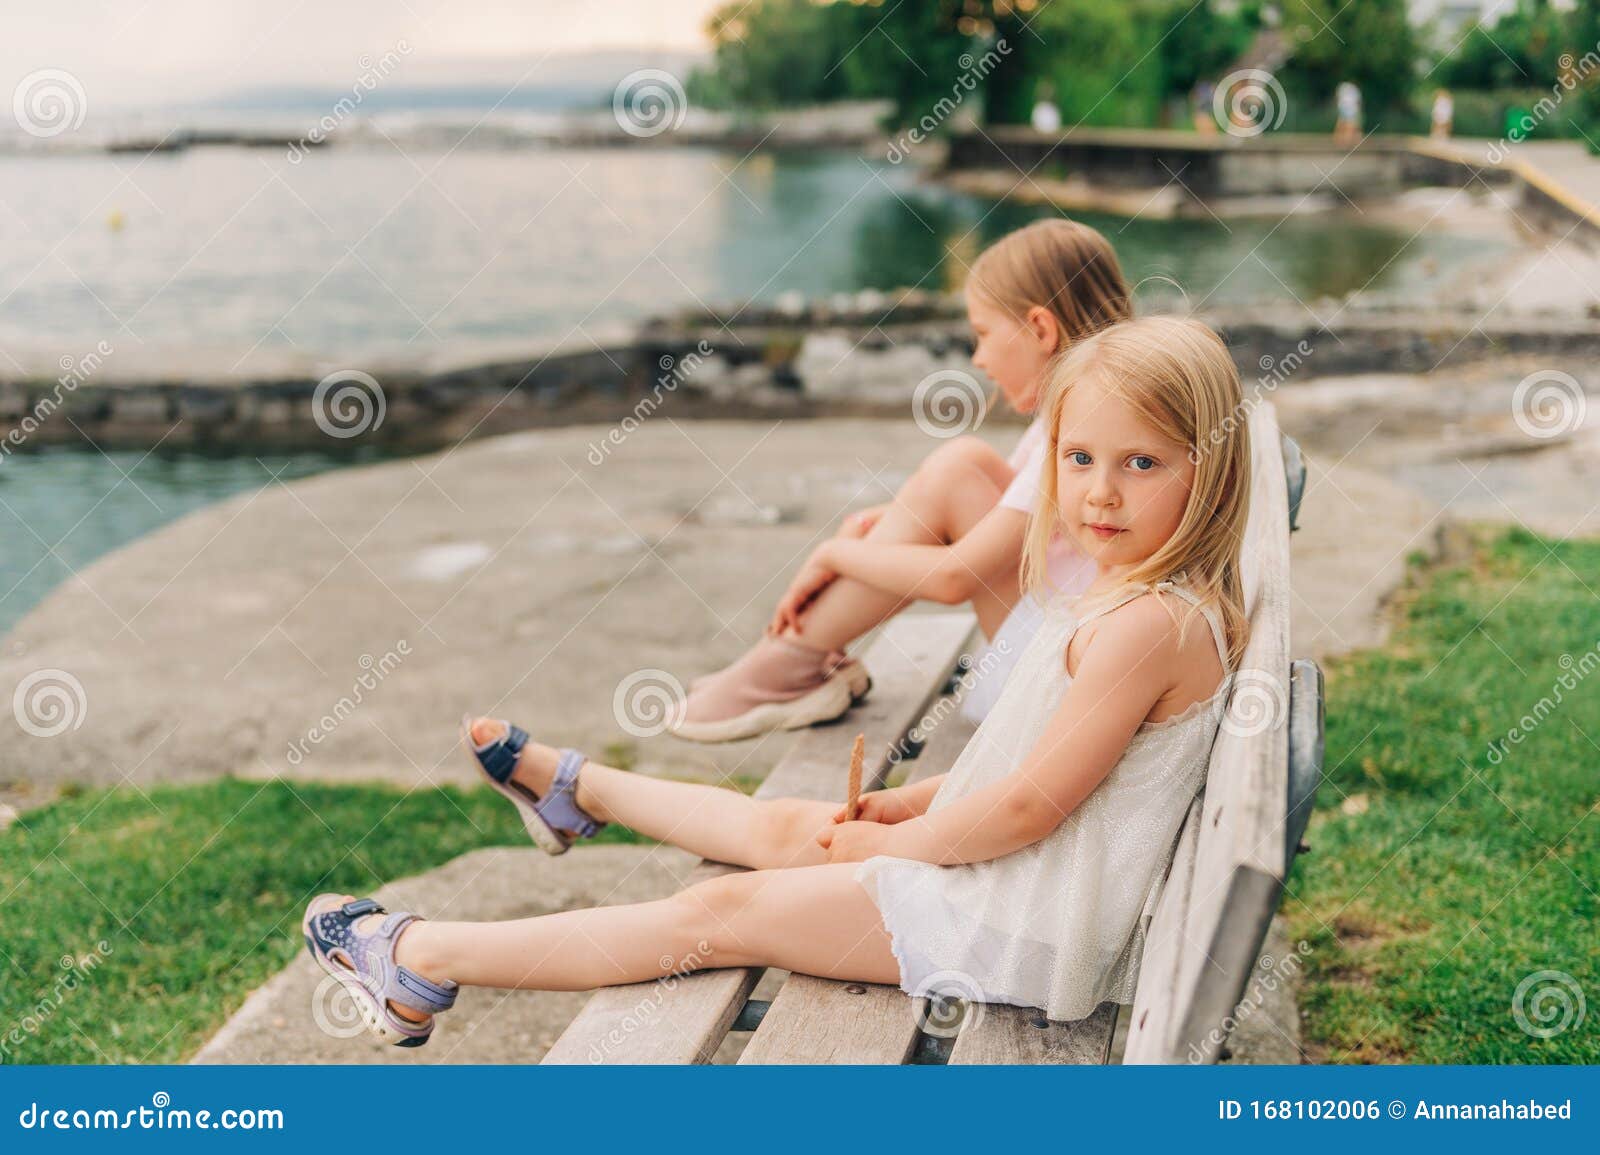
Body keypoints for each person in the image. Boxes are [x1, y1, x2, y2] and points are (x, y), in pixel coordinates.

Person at [300, 315, 1252, 1046]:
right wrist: (911, 805)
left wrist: (913, 839)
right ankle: (570, 787)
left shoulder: (1146, 624)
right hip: (1020, 892)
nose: (1099, 493)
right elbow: (1036, 772)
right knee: (792, 829)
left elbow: (1025, 811)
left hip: (1016, 929)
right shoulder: (1145, 595)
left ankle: (419, 957)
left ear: (1207, 474)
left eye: (1141, 463)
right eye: (1079, 458)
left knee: (722, 913)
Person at [667, 218, 1133, 742]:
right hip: (1069, 642)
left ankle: (789, 664)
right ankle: (790, 662)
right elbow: (1001, 516)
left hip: (1054, 671)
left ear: (1041, 329)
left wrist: (831, 555)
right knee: (965, 469)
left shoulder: (1076, 431)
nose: (978, 359)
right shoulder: (1096, 410)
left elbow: (956, 578)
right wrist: (872, 524)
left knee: (961, 466)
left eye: (982, 334)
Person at [1334, 80, 1362, 147]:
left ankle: (1343, 140)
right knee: (1349, 125)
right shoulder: (1353, 89)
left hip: (1345, 108)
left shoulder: (1343, 87)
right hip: (1350, 109)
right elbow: (1358, 101)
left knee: (1344, 124)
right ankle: (1346, 140)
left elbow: (1338, 97)